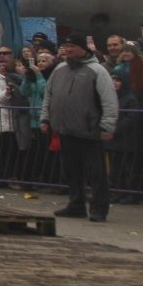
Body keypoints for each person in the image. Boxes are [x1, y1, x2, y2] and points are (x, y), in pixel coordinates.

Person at [42, 32, 118, 222]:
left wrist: (107, 126)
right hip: (65, 129)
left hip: (89, 130)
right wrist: (45, 118)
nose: (68, 50)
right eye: (66, 47)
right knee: (71, 170)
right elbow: (49, 95)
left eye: (72, 47)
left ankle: (99, 208)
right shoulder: (59, 69)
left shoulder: (97, 71)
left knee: (96, 173)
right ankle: (76, 204)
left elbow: (109, 100)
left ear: (82, 49)